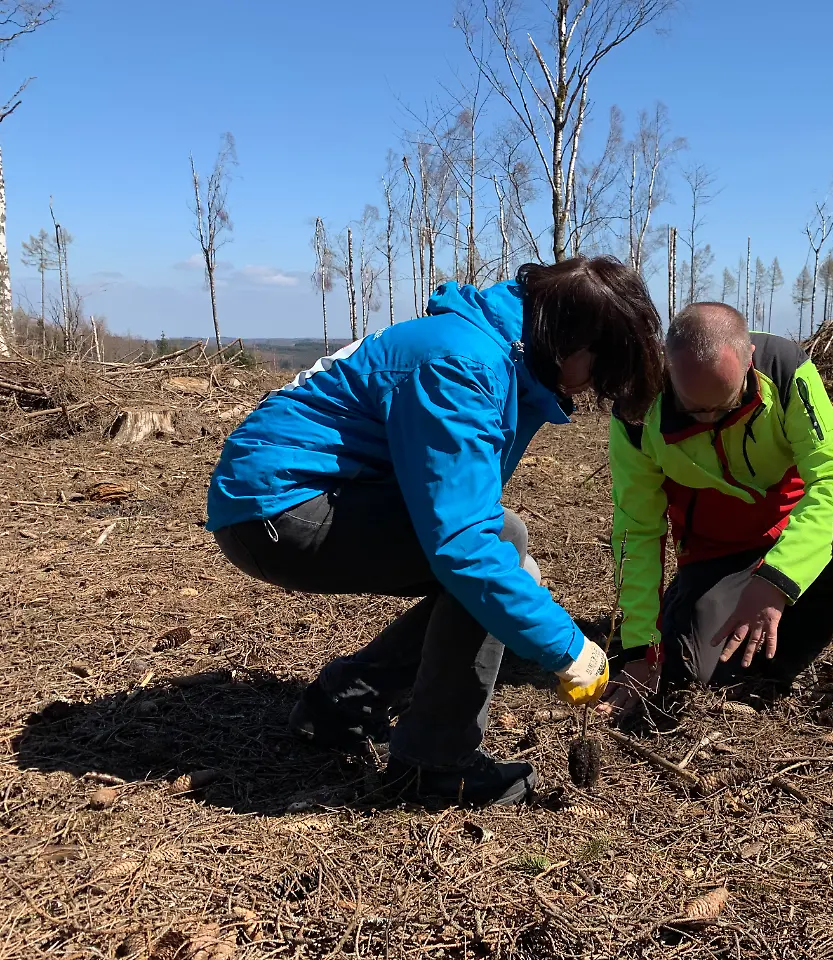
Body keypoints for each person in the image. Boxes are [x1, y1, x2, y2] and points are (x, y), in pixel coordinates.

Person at [206, 257, 664, 807]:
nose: (590, 386)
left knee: (504, 545)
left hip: (289, 493)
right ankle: (435, 763)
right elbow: (465, 550)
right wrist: (568, 649)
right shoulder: (463, 366)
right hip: (275, 508)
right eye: (597, 368)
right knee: (493, 554)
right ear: (572, 340)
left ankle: (346, 701)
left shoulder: (498, 351)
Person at [600, 301, 833, 718]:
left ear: (749, 360)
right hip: (714, 551)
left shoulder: (784, 369)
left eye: (722, 406)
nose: (709, 421)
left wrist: (777, 581)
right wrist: (641, 647)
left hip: (789, 530)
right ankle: (712, 625)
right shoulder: (636, 411)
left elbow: (832, 476)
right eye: (694, 409)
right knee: (687, 673)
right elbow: (637, 529)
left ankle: (778, 662)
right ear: (668, 367)